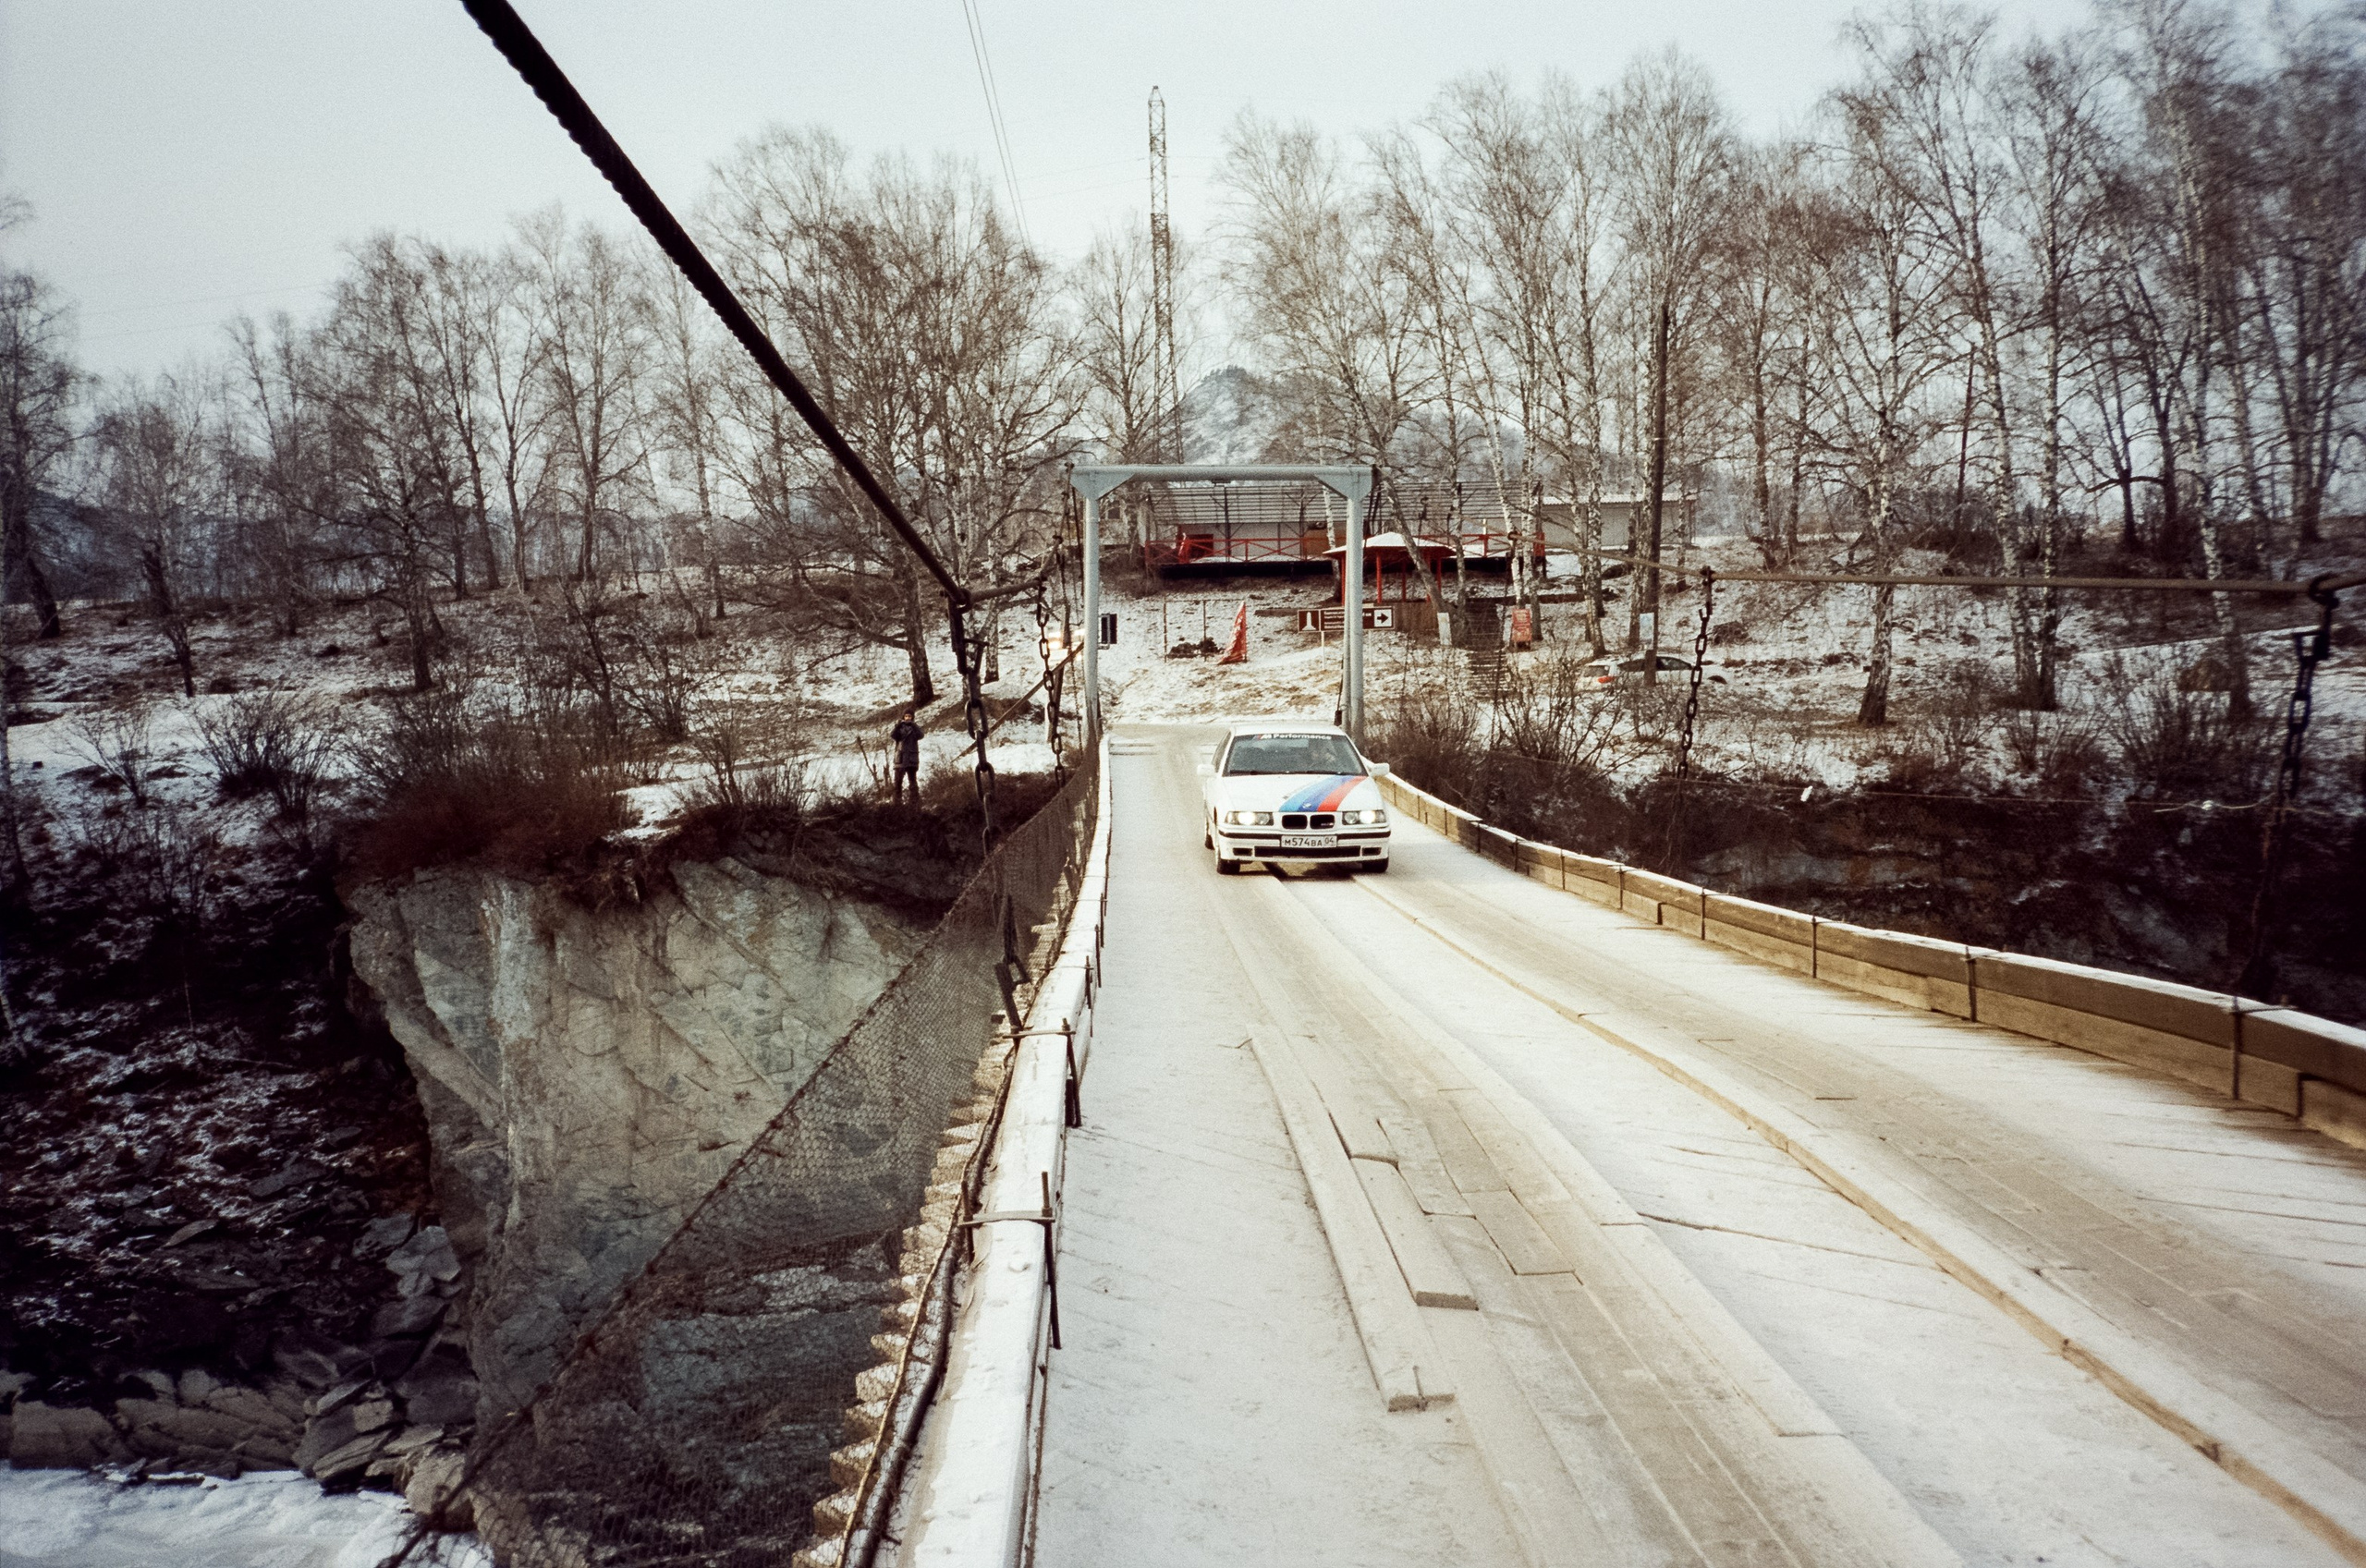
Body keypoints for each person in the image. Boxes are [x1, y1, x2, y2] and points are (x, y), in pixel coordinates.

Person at [890, 711, 923, 806]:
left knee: (913, 781)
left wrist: (914, 725)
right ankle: (897, 803)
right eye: (906, 716)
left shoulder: (915, 728)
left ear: (912, 718)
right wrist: (897, 726)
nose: (908, 718)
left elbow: (921, 735)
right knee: (897, 782)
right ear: (903, 717)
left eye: (909, 716)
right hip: (900, 759)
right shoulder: (899, 728)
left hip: (912, 759)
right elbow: (892, 735)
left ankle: (914, 802)